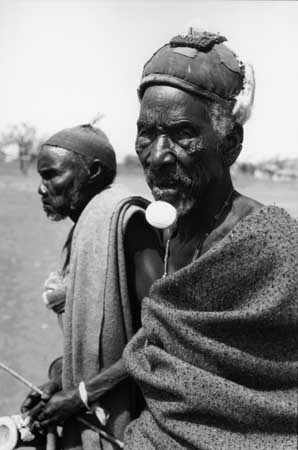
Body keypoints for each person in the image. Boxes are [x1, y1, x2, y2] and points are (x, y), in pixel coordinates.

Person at [121, 29, 298, 449]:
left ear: (230, 144)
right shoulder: (158, 233)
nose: (158, 155)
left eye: (182, 133)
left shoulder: (274, 242)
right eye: (146, 132)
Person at [21, 123, 163, 450]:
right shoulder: (81, 233)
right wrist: (59, 382)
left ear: (93, 172)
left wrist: (81, 395)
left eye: (51, 175)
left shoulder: (130, 223)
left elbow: (161, 334)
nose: (42, 189)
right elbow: (90, 345)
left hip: (135, 422)